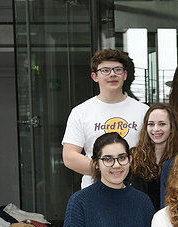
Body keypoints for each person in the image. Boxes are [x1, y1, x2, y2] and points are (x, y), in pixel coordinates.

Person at [62, 49, 149, 189]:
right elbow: (69, 157)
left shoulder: (143, 111)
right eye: (105, 70)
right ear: (94, 76)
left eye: (117, 69)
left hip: (135, 190)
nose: (112, 74)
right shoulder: (80, 112)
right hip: (94, 191)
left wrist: (123, 173)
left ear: (125, 75)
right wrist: (108, 170)